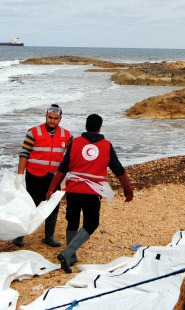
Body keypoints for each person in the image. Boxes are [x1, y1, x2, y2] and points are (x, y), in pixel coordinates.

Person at [46, 113, 134, 273]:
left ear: (86, 126)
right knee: (91, 223)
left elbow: (63, 168)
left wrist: (52, 188)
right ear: (100, 128)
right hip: (92, 191)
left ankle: (71, 255)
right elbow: (118, 168)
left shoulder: (75, 143)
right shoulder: (107, 145)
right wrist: (128, 188)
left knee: (72, 220)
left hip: (73, 188)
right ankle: (67, 253)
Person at [12, 104, 71, 248]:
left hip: (55, 177)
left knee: (53, 206)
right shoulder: (33, 132)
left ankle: (49, 236)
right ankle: (19, 236)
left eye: (55, 118)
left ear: (60, 119)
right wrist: (20, 174)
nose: (52, 121)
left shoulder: (67, 135)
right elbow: (24, 153)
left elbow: (71, 157)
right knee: (30, 205)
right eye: (50, 117)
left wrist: (69, 177)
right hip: (34, 175)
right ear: (46, 116)